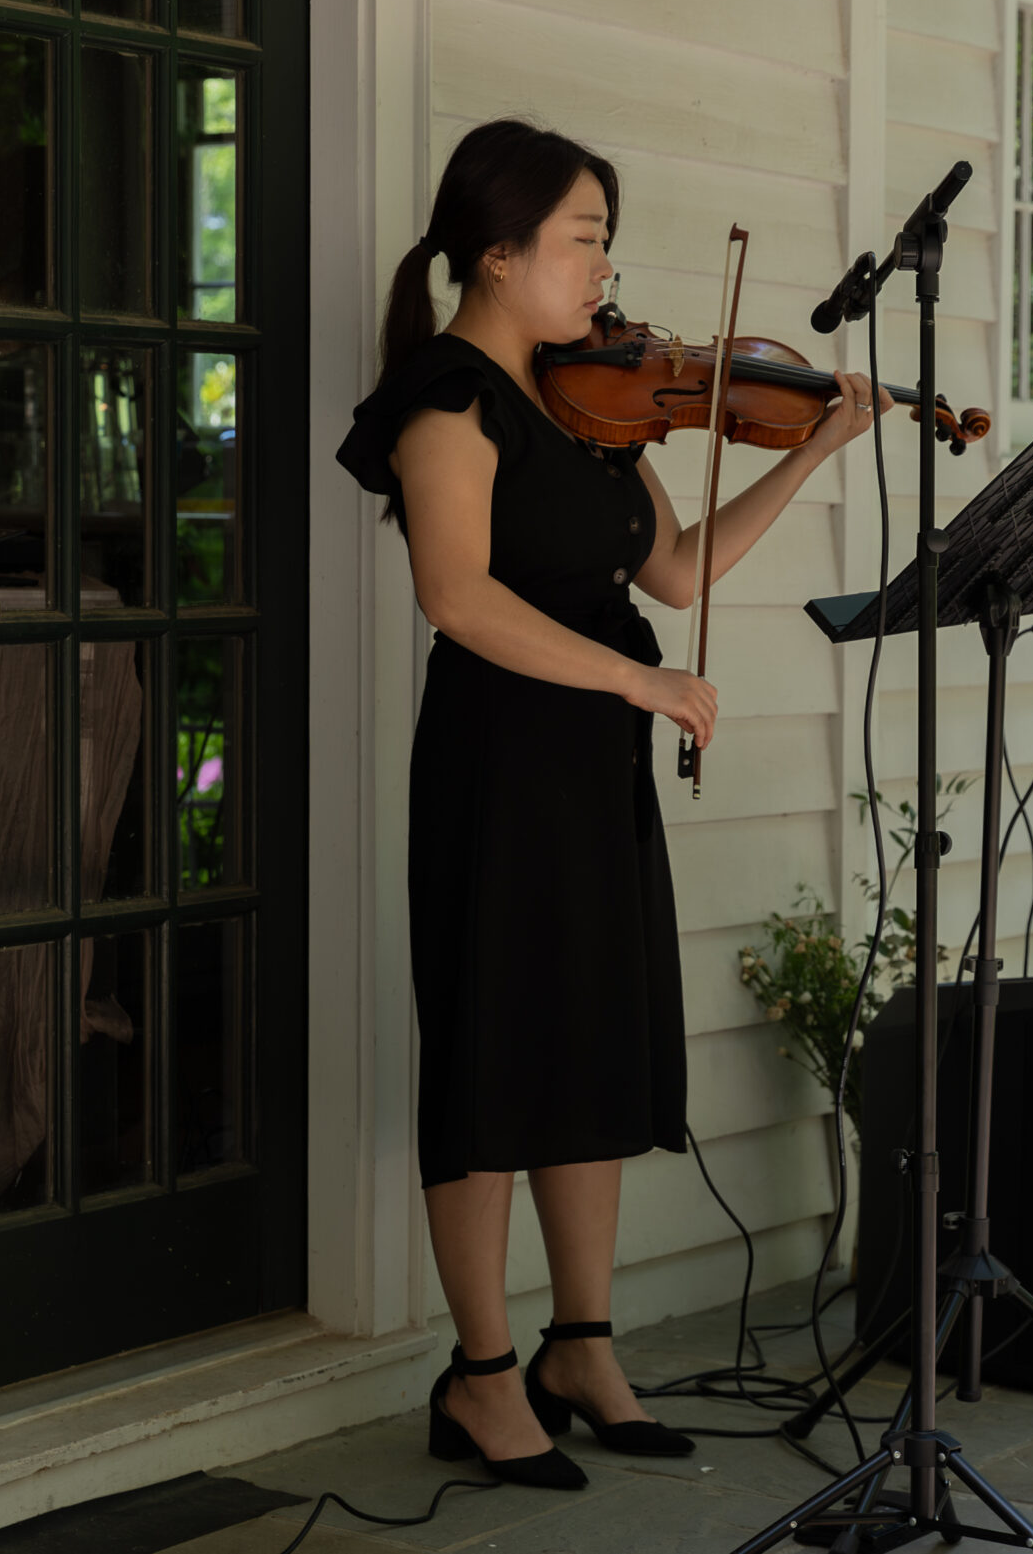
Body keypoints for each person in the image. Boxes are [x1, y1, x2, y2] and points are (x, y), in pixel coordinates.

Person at [336, 117, 893, 1490]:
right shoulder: (446, 400)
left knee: (587, 1039)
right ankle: (478, 1372)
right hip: (498, 761)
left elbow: (682, 574)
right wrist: (642, 692)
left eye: (603, 242)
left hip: (590, 765)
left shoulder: (593, 403)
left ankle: (579, 1345)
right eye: (581, 240)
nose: (600, 270)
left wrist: (816, 446)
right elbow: (457, 601)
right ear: (498, 252)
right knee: (490, 1050)